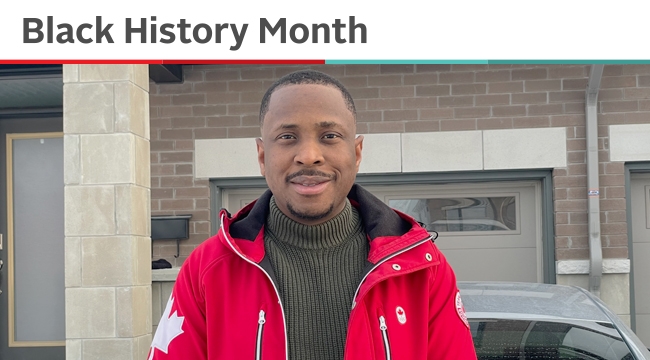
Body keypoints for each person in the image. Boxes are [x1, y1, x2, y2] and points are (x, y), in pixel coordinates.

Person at [148, 69, 477, 360]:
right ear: (263, 156)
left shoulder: (422, 269)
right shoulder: (208, 270)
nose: (308, 156)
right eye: (287, 137)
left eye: (329, 136)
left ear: (357, 152)